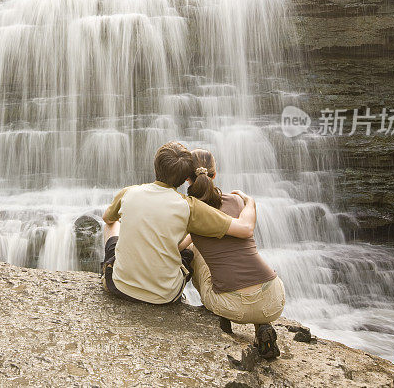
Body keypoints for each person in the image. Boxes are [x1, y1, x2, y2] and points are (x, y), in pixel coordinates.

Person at [100, 141, 257, 305]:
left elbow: (107, 218)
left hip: (118, 287)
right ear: (185, 179)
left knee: (112, 224)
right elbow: (246, 229)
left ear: (155, 167)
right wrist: (250, 202)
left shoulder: (129, 192)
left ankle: (116, 269)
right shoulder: (190, 207)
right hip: (164, 296)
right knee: (193, 245)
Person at [180, 148, 285, 360]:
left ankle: (221, 322)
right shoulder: (237, 202)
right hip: (273, 300)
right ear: (214, 175)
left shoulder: (189, 211)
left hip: (231, 307)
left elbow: (179, 247)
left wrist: (193, 235)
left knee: (194, 253)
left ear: (186, 178)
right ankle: (262, 327)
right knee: (243, 251)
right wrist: (250, 201)